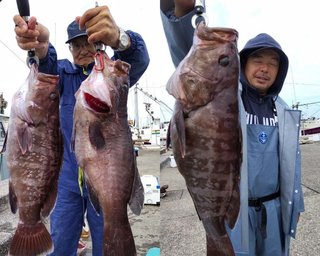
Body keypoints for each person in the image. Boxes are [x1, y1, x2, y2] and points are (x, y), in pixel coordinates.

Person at [160, 1, 304, 255]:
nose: (265, 68)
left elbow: (293, 167)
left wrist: (294, 207)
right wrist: (182, 12)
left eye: (273, 63)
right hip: (234, 211)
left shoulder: (284, 112)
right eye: (258, 59)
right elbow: (190, 58)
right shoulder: (226, 98)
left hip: (273, 212)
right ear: (243, 64)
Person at [14, 5, 149, 256]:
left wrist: (120, 37)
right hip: (66, 180)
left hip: (105, 180)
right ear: (70, 50)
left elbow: (138, 60)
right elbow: (45, 68)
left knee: (106, 239)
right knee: (61, 241)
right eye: (76, 45)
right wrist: (41, 49)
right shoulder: (63, 74)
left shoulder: (112, 73)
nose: (83, 49)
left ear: (100, 44)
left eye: (89, 42)